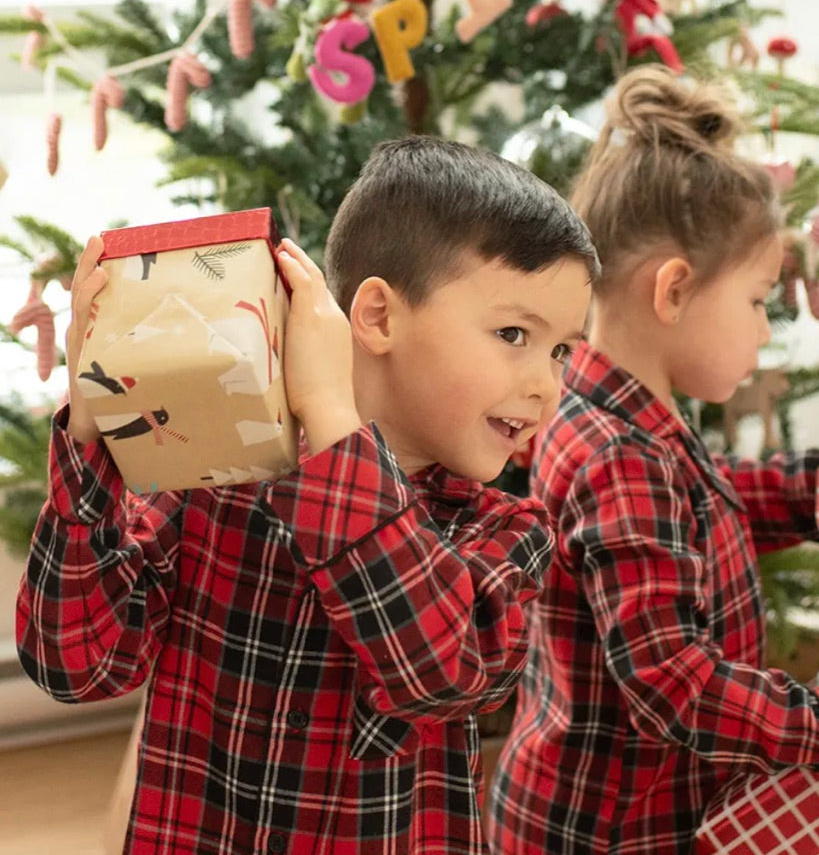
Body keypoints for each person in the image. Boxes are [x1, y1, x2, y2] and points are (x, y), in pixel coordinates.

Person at [16, 135, 598, 855]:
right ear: (378, 317)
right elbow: (75, 664)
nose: (547, 382)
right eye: (513, 333)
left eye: (560, 349)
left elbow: (441, 676)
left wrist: (329, 417)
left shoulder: (508, 534)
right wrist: (90, 432)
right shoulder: (217, 477)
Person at [488, 66, 819, 855]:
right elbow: (673, 681)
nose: (762, 332)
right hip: (609, 829)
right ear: (671, 290)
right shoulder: (616, 453)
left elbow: (713, 505)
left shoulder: (627, 416)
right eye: (754, 302)